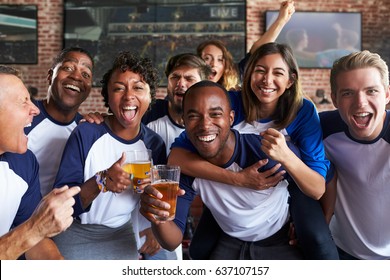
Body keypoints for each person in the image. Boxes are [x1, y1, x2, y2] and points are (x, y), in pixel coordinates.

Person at [169, 42, 338, 259]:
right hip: (233, 187)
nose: (267, 80)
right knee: (199, 248)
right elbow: (178, 156)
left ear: (291, 80)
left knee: (318, 242)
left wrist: (285, 156)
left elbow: (317, 185)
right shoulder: (230, 104)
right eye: (260, 70)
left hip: (290, 183)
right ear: (248, 74)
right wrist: (237, 180)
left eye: (278, 72)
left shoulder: (302, 111)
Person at [140, 80, 304, 259]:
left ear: (231, 118)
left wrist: (302, 222)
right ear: (184, 121)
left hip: (279, 239)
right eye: (194, 116)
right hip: (229, 238)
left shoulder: (264, 151)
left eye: (215, 114)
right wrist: (158, 218)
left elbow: (316, 180)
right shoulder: (187, 166)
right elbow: (172, 241)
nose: (205, 125)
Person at [52, 51, 166, 259]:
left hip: (121, 236)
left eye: (138, 88)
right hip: (74, 234)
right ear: (107, 97)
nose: (129, 95)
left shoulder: (155, 144)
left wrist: (154, 228)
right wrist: (101, 181)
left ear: (150, 97)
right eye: (118, 88)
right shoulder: (86, 133)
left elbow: (154, 199)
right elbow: (63, 202)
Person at [0, 65, 80, 260]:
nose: (35, 109)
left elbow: (32, 240)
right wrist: (35, 228)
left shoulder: (23, 162)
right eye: (23, 102)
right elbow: (30, 232)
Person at [320, 50, 390, 259]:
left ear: (387, 95)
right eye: (348, 93)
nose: (360, 103)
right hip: (343, 252)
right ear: (334, 98)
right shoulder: (323, 128)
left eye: (371, 91)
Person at [24, 47, 94, 197]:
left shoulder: (84, 130)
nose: (76, 77)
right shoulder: (24, 114)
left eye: (85, 74)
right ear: (50, 76)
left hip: (63, 216)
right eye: (68, 68)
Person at [198, 1, 295, 90]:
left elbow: (257, 50)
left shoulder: (235, 79)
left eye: (220, 59)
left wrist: (281, 20)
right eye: (207, 58)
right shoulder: (188, 84)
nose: (213, 64)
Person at [142, 53, 212, 156]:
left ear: (202, 84)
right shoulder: (148, 112)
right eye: (175, 77)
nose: (180, 84)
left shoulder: (211, 123)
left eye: (189, 79)